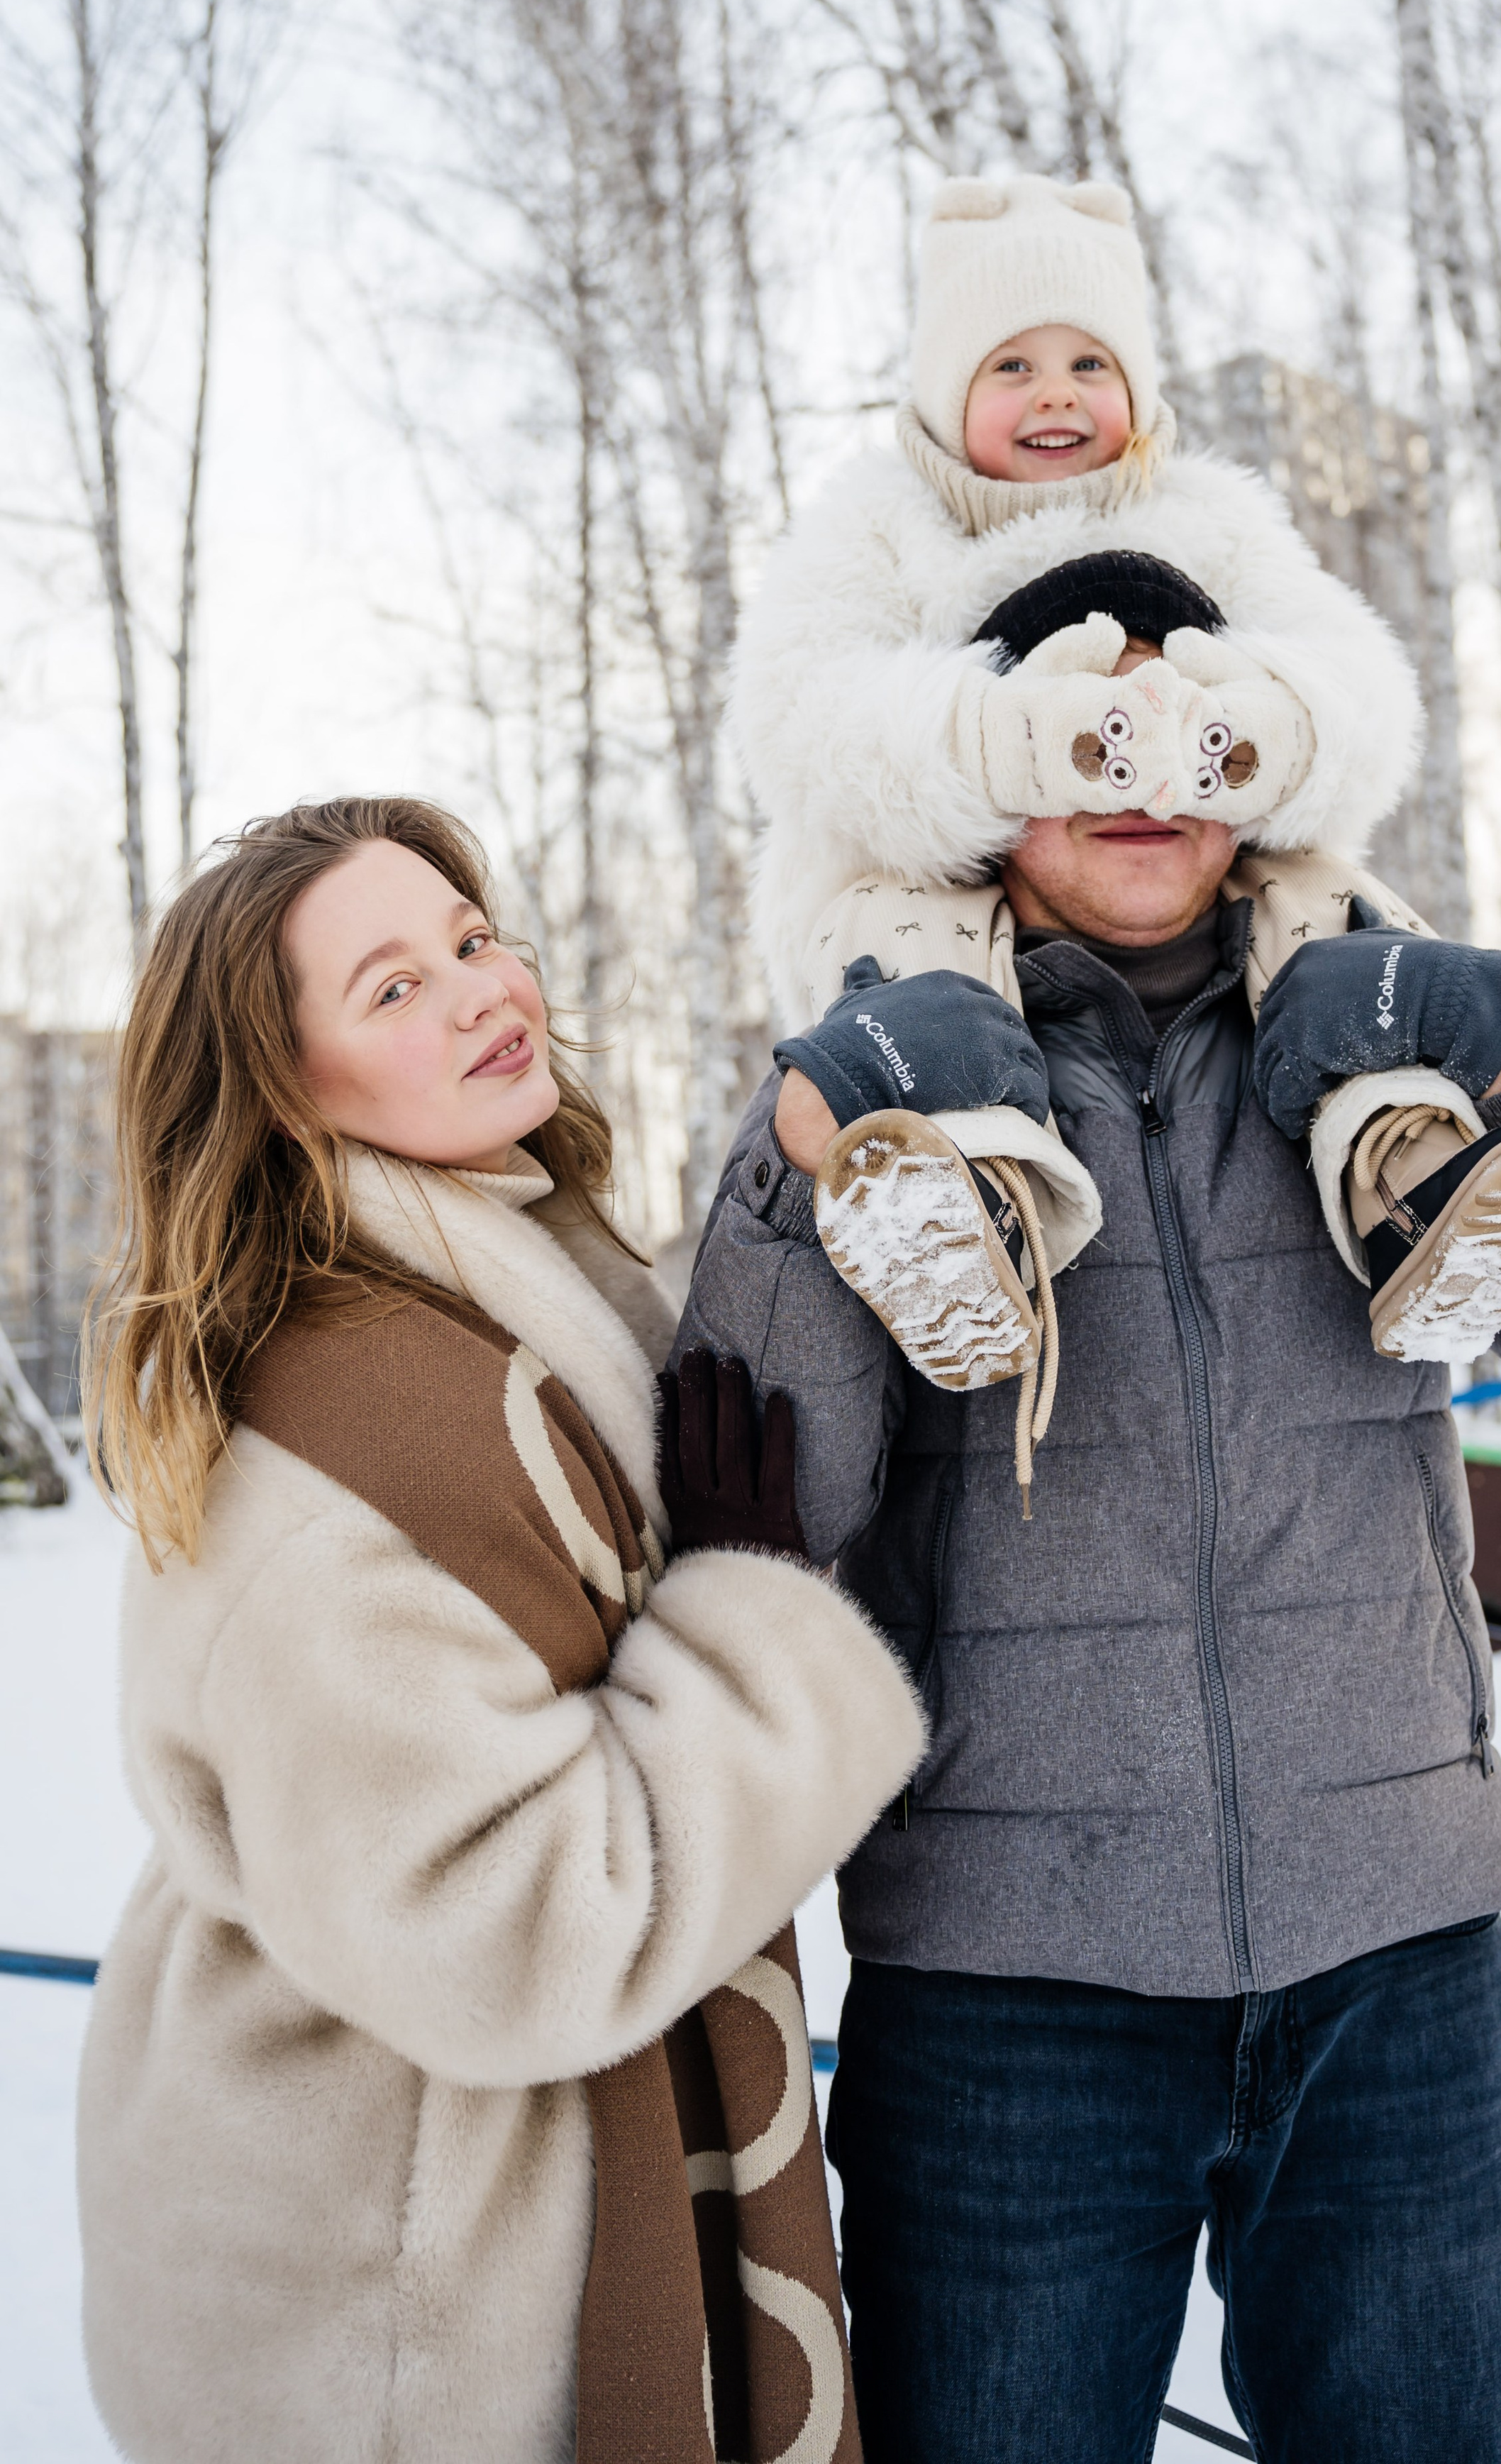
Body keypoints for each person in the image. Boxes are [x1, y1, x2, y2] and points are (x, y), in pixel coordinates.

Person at [676, 331, 1501, 2459]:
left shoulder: (1390, 1048)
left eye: (1187, 721)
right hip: (1011, 2006)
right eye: (1086, 730)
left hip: (1397, 1971)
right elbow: (759, 1520)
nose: (1144, 771)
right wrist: (806, 1162)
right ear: (994, 771)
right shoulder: (901, 1068)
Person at [77, 794, 924, 2464]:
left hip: (459, 2209)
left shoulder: (493, 1300)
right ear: (278, 1090)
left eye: (472, 941)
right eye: (390, 988)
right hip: (398, 2304)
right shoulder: (326, 1452)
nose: (481, 990)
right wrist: (750, 1631)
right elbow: (523, 1934)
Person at [738, 175, 1501, 1413]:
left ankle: (1420, 1177)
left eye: (1091, 361)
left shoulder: (1209, 518)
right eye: (1012, 367)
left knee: (1326, 922)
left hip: (1204, 871)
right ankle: (969, 1215)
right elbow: (804, 716)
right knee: (927, 965)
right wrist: (996, 738)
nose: (1055, 394)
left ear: (1141, 390)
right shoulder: (880, 528)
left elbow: (1357, 681)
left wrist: (1263, 733)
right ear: (939, 396)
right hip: (929, 881)